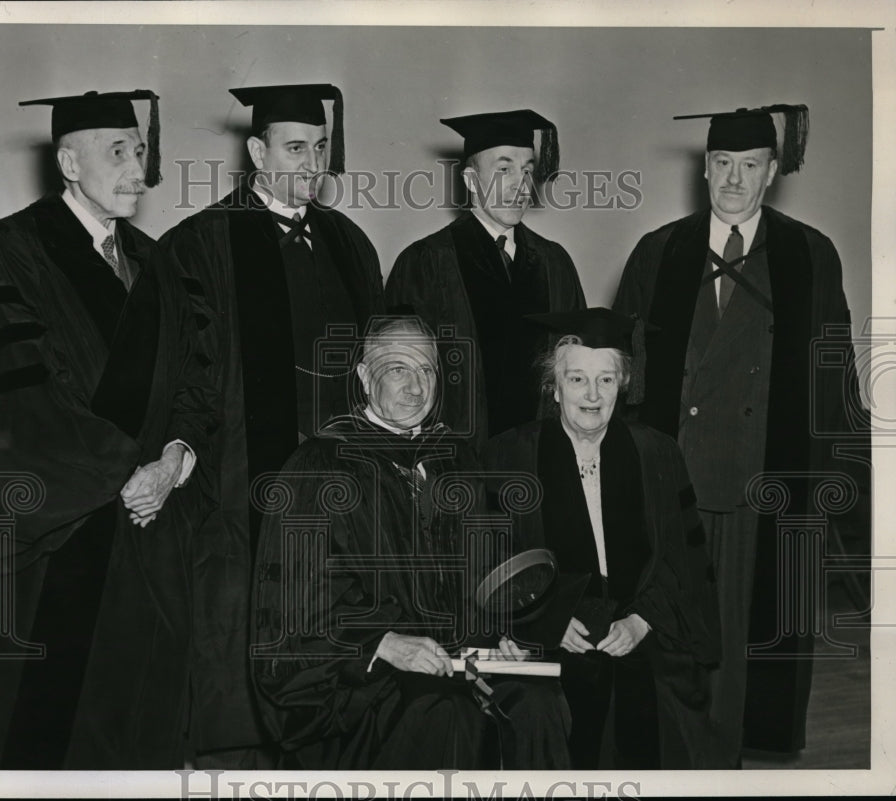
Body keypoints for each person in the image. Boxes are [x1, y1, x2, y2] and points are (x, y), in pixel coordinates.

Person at [0, 90, 218, 769]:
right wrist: (126, 469)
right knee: (53, 741)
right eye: (117, 152)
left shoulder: (161, 263)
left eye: (140, 151)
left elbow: (199, 379)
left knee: (142, 727)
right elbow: (17, 401)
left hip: (153, 531)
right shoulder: (11, 248)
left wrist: (176, 458)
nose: (137, 168)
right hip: (61, 534)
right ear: (69, 161)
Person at [612, 104, 866, 764]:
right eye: (721, 163)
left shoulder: (809, 254)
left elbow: (832, 371)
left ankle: (729, 755)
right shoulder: (660, 250)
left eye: (748, 165)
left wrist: (845, 473)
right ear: (704, 168)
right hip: (676, 476)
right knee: (672, 622)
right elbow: (623, 364)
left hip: (761, 479)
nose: (732, 178)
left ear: (773, 172)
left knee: (740, 630)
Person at [159, 83, 384, 766]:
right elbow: (184, 380)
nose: (311, 163)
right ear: (257, 151)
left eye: (319, 148)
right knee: (241, 674)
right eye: (294, 148)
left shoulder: (350, 244)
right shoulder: (200, 243)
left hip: (339, 490)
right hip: (239, 488)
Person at [250, 317, 572, 770]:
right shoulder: (320, 468)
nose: (417, 387)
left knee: (539, 704)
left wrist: (501, 635)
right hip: (366, 686)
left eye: (428, 371)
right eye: (398, 368)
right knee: (443, 711)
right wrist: (383, 644)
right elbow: (294, 611)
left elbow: (485, 579)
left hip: (459, 665)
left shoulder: (457, 463)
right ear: (364, 376)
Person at [483, 308, 722, 769]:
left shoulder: (657, 452)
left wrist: (642, 621)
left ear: (623, 385)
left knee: (678, 723)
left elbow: (684, 558)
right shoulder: (508, 455)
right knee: (543, 718)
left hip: (642, 624)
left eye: (606, 380)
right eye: (576, 380)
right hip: (550, 637)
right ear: (553, 387)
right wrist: (543, 617)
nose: (592, 395)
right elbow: (489, 560)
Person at [386, 109, 585, 450]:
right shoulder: (426, 262)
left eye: (527, 170)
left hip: (540, 462)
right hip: (454, 465)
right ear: (470, 180)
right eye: (503, 169)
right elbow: (395, 377)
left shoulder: (554, 263)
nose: (520, 185)